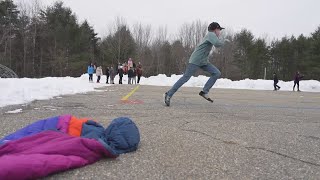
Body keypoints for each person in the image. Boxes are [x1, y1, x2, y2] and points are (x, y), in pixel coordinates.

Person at [164, 22, 227, 106]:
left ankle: (204, 92)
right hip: (196, 60)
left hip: (203, 61)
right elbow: (218, 44)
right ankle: (169, 94)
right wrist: (224, 39)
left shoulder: (211, 36)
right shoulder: (211, 34)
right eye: (219, 30)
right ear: (215, 29)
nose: (220, 32)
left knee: (216, 73)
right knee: (185, 78)